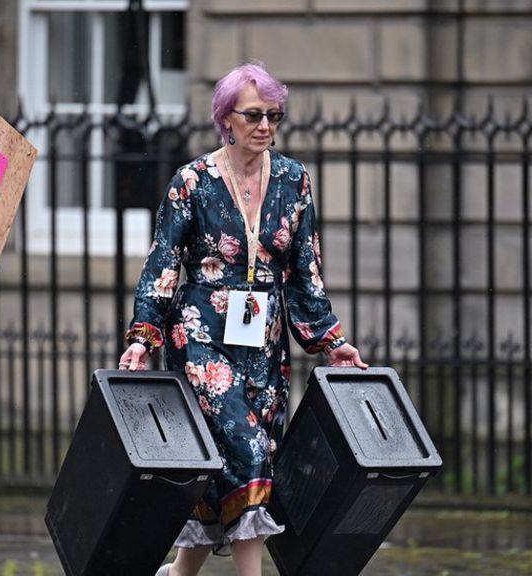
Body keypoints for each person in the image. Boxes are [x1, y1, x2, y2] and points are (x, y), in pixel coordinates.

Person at [118, 62, 368, 576]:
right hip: (202, 332)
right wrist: (144, 336)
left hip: (264, 340)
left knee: (233, 458)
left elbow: (306, 270)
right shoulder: (192, 182)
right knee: (248, 449)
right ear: (225, 118)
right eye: (253, 114)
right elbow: (163, 262)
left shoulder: (295, 181)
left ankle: (181, 573)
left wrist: (330, 341)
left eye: (274, 114)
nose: (265, 125)